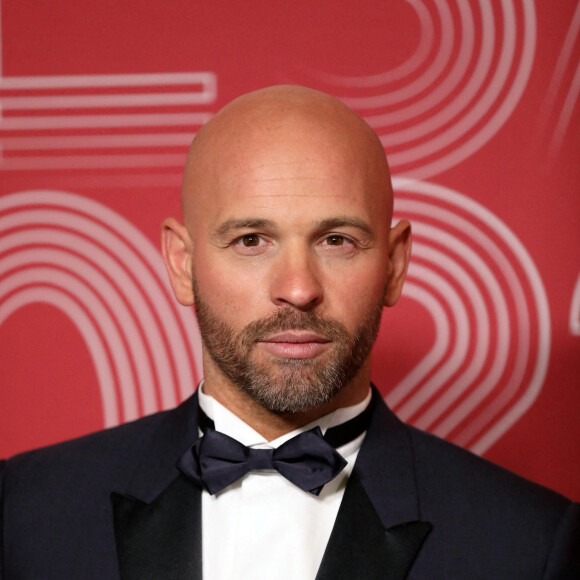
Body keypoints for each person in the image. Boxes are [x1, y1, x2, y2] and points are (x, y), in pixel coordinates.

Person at [0, 86, 578, 579]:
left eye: (337, 241)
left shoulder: (529, 545)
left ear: (396, 264)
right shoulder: (23, 511)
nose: (298, 289)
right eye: (251, 240)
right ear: (182, 264)